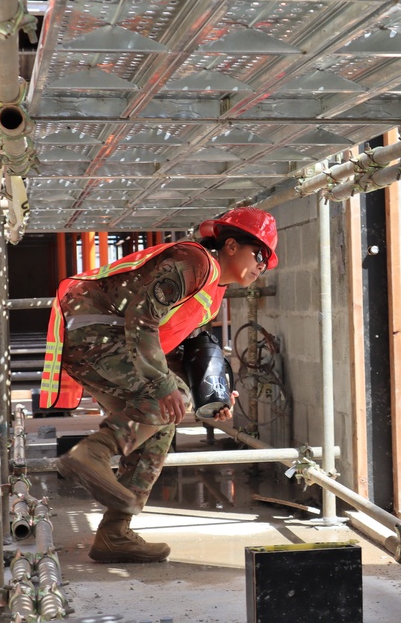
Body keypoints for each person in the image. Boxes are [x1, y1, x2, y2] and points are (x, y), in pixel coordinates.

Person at [38, 206, 278, 563]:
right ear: (230, 245)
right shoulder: (193, 261)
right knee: (171, 395)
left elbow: (175, 349)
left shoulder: (213, 292)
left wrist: (210, 395)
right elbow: (142, 318)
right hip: (97, 333)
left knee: (166, 419)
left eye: (267, 261)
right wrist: (168, 386)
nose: (262, 265)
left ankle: (114, 535)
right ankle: (94, 452)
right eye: (259, 254)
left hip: (118, 344)